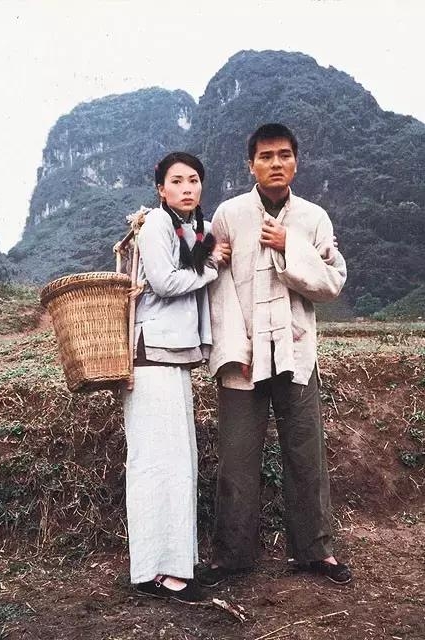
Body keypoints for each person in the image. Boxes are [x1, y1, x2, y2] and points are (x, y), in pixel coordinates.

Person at [198, 123, 352, 586]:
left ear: (296, 162)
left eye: (284, 154)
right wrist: (232, 350)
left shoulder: (313, 218)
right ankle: (231, 557)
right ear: (251, 165)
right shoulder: (228, 215)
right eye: (265, 156)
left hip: (296, 353)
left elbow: (332, 282)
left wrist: (291, 247)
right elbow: (219, 287)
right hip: (243, 357)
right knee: (237, 458)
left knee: (306, 453)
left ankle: (316, 551)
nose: (276, 163)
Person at [122, 152, 224, 603]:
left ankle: (172, 566)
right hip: (152, 356)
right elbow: (164, 283)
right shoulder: (157, 225)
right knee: (158, 464)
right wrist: (211, 267)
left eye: (194, 180)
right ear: (161, 189)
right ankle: (157, 572)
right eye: (177, 180)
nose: (187, 187)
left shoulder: (193, 228)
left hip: (173, 357)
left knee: (175, 462)